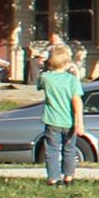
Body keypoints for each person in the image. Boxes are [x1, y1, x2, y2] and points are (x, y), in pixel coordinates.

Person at [35, 44, 83, 184]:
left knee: (52, 150)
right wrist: (79, 122)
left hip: (52, 120)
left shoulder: (46, 78)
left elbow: (39, 83)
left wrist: (45, 66)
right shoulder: (72, 80)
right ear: (68, 62)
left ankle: (53, 178)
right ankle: (69, 176)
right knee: (69, 149)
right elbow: (77, 101)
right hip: (70, 121)